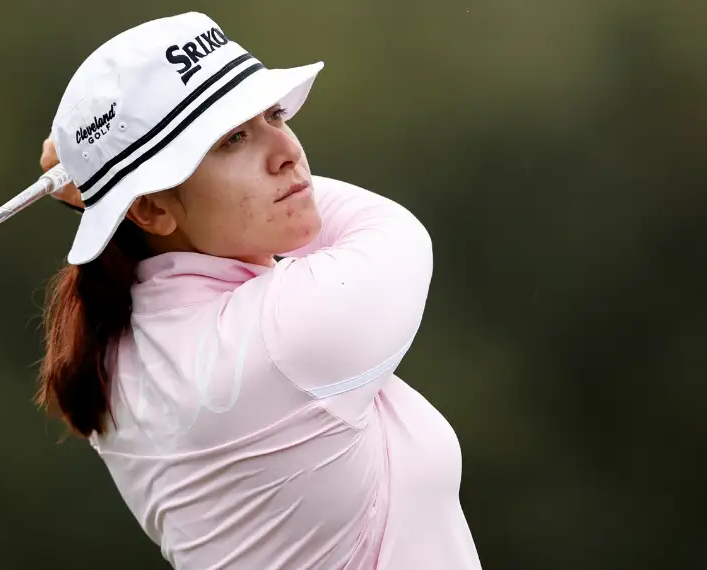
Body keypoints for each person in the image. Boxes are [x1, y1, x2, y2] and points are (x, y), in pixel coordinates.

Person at [36, 11, 482, 570]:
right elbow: (392, 231)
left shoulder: (118, 351)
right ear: (151, 208)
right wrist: (106, 188)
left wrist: (109, 188)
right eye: (233, 139)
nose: (287, 152)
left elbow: (263, 215)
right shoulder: (286, 334)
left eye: (274, 114)